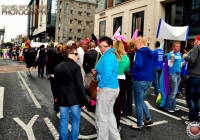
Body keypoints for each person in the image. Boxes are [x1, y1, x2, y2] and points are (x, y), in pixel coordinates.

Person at [54, 44, 87, 140]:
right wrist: (83, 101)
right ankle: (73, 138)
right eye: (76, 54)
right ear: (69, 55)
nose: (78, 56)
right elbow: (80, 86)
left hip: (62, 98)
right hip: (75, 99)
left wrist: (56, 96)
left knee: (63, 120)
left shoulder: (57, 67)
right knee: (76, 120)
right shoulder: (75, 67)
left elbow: (55, 85)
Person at [92, 36, 121, 140]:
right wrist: (98, 72)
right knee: (109, 115)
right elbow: (108, 72)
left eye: (105, 46)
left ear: (110, 46)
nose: (102, 48)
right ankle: (115, 138)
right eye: (100, 46)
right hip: (113, 88)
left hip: (106, 89)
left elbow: (108, 74)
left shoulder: (108, 56)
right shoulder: (111, 55)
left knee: (102, 117)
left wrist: (100, 85)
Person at [128, 36, 154, 131]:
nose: (135, 46)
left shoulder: (139, 52)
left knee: (138, 103)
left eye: (135, 44)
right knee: (141, 100)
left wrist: (131, 71)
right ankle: (148, 118)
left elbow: (139, 64)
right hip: (149, 80)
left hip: (139, 79)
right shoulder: (151, 52)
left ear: (139, 43)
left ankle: (139, 124)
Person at [182, 36, 200, 124]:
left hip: (194, 76)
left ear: (198, 40)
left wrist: (185, 56)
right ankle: (192, 116)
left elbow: (192, 60)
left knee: (191, 98)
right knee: (197, 98)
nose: (194, 41)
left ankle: (193, 119)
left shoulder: (197, 47)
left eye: (195, 40)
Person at [113, 40, 130, 132]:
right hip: (121, 80)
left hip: (111, 80)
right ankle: (116, 125)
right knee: (118, 104)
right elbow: (127, 68)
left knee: (109, 104)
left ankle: (108, 125)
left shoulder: (111, 56)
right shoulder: (125, 58)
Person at [164, 42, 182, 112]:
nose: (179, 47)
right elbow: (170, 65)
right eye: (177, 46)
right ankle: (167, 107)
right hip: (173, 74)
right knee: (173, 92)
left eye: (179, 46)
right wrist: (172, 58)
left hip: (178, 74)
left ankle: (173, 106)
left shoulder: (179, 54)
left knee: (175, 91)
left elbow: (180, 64)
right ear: (173, 47)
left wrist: (185, 61)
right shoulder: (170, 54)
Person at [83, 41, 100, 112]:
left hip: (89, 72)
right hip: (96, 73)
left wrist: (86, 71)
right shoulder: (98, 54)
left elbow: (84, 64)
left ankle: (91, 105)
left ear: (89, 46)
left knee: (89, 89)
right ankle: (94, 104)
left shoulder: (86, 54)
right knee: (94, 89)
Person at [47, 43, 63, 112]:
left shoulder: (52, 56)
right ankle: (60, 102)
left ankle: (56, 103)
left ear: (56, 49)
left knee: (54, 89)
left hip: (53, 75)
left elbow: (49, 65)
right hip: (61, 75)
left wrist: (49, 74)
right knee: (61, 89)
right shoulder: (64, 57)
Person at [122, 40, 135, 117]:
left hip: (125, 76)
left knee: (123, 94)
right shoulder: (136, 55)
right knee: (130, 94)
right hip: (132, 77)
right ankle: (130, 111)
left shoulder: (126, 55)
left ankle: (125, 110)